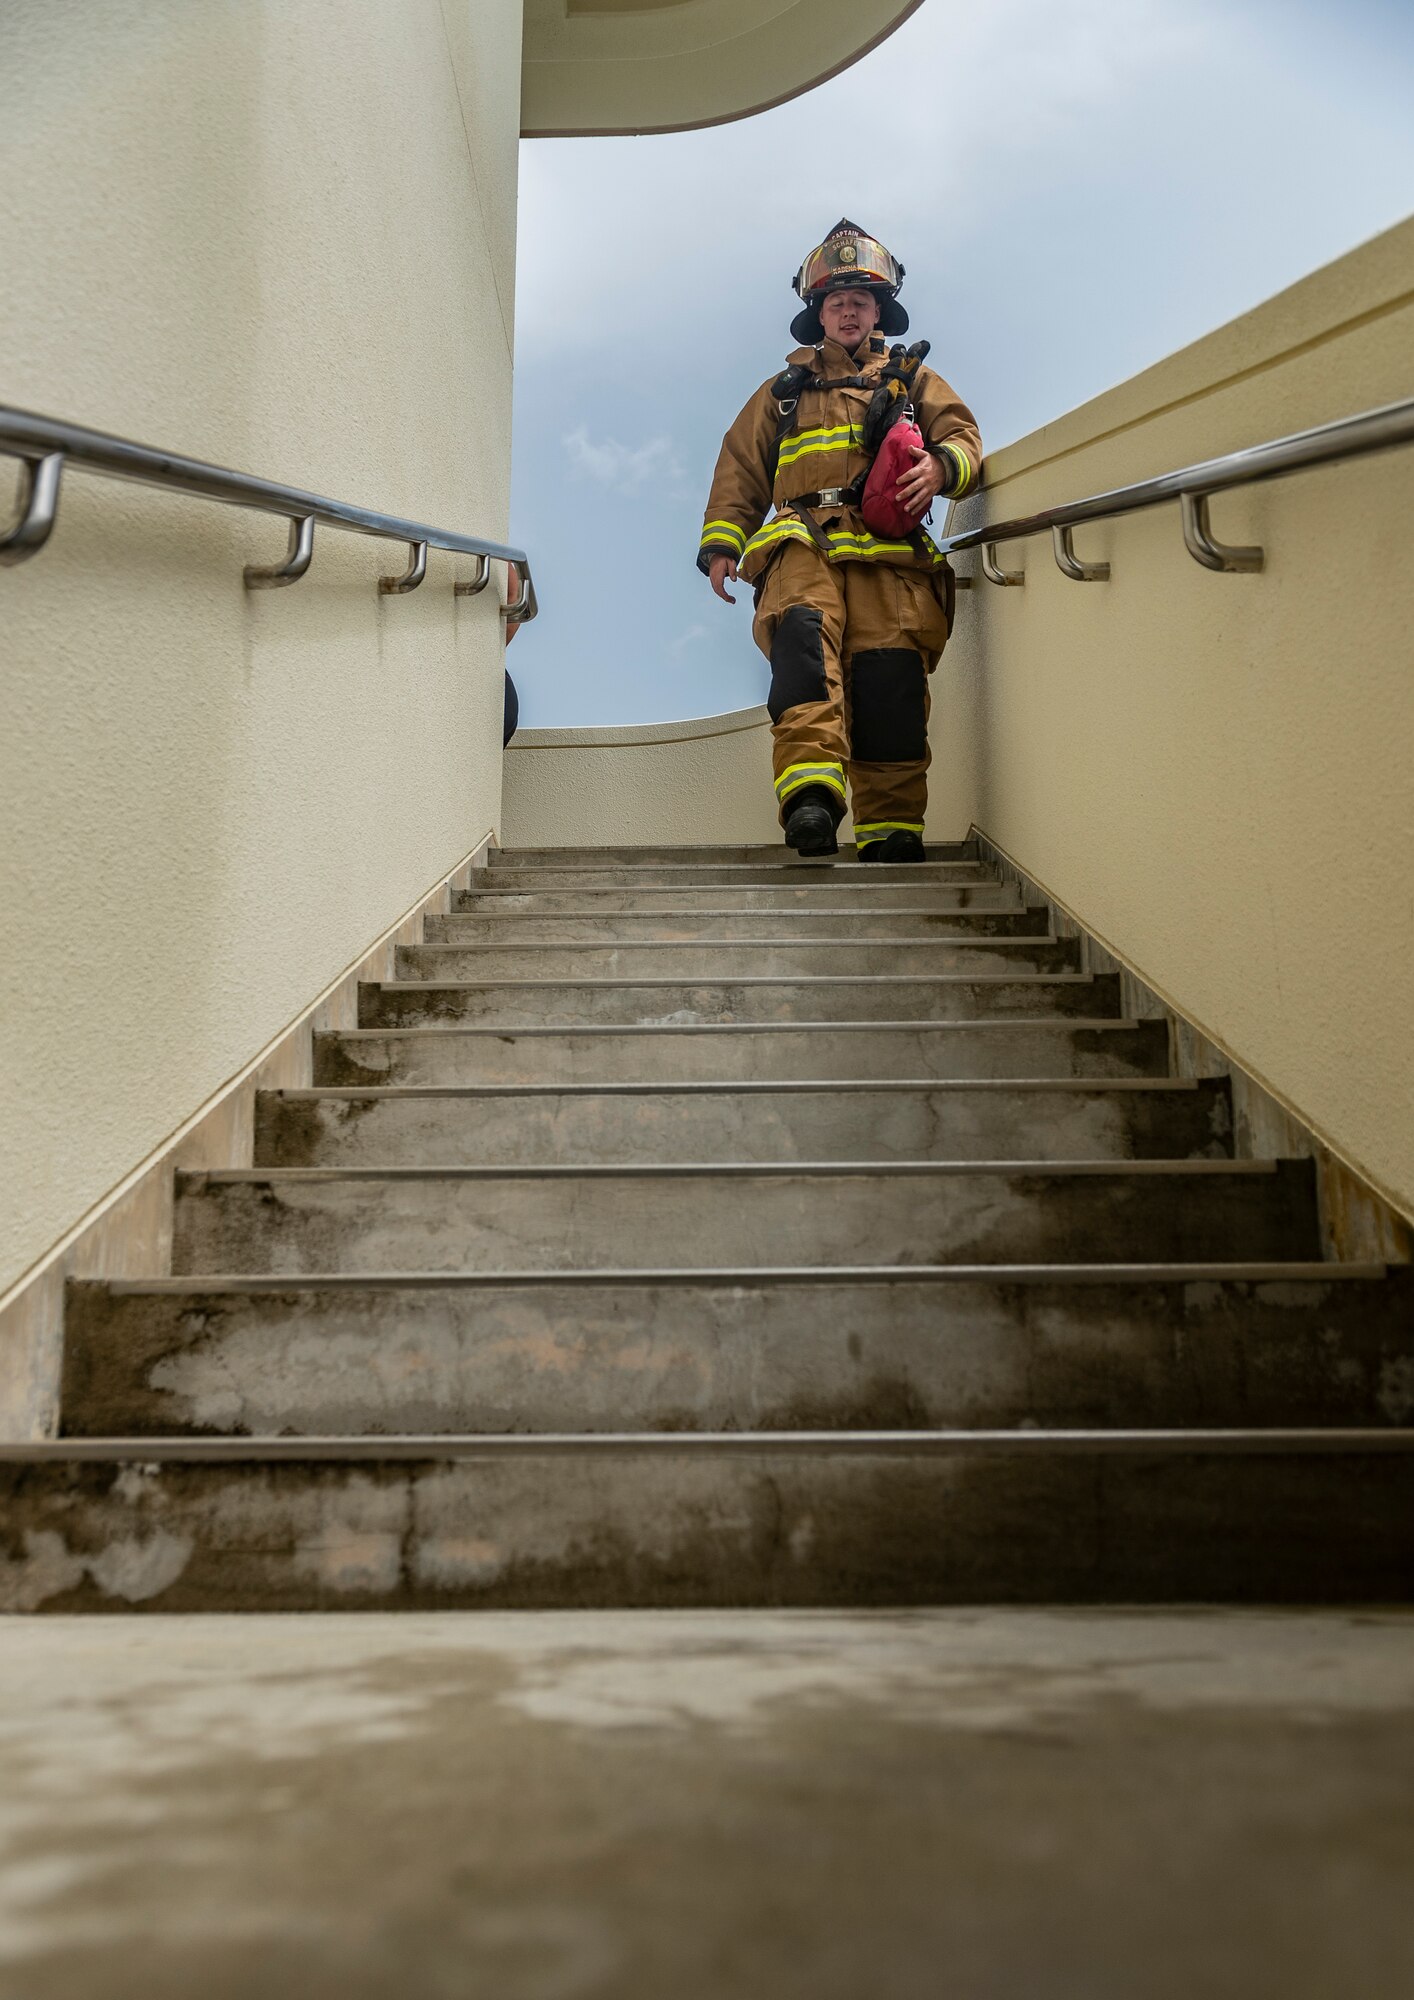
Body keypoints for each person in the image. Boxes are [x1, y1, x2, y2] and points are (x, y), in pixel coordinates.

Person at [697, 220, 981, 860]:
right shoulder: (781, 394)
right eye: (836, 302)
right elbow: (740, 467)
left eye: (860, 301)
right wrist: (722, 543)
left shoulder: (915, 383)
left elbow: (964, 440)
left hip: (890, 559)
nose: (848, 312)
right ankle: (811, 803)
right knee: (803, 668)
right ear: (818, 314)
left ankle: (891, 832)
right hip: (803, 545)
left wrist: (940, 467)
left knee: (890, 687)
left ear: (880, 310)